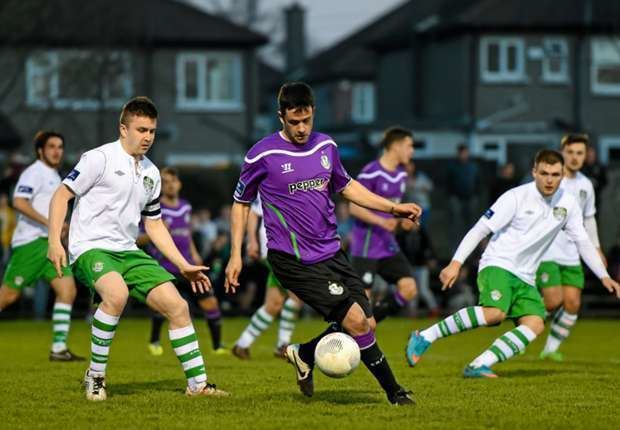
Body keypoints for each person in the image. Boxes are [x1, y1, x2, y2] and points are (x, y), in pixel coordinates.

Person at [225, 82, 420, 405]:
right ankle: (395, 393)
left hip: (332, 253)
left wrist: (393, 207)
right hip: (293, 259)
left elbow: (347, 187)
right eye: (293, 122)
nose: (301, 129)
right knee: (356, 321)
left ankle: (303, 353)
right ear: (281, 117)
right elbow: (240, 203)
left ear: (313, 112)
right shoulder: (263, 154)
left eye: (306, 121)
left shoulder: (326, 146)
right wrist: (235, 254)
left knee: (367, 322)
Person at [47, 96, 228, 401]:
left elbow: (155, 225)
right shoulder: (98, 158)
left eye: (152, 131)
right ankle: (96, 376)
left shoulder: (152, 173)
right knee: (117, 295)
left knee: (179, 307)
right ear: (123, 128)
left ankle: (197, 386)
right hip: (91, 248)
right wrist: (54, 241)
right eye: (141, 129)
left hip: (129, 252)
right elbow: (60, 196)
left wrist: (183, 264)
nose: (147, 137)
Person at [406, 149, 619, 378]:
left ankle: (478, 365)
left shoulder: (568, 204)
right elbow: (480, 229)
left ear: (562, 174)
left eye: (555, 174)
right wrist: (455, 263)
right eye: (544, 173)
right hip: (499, 263)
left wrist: (604, 275)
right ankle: (425, 337)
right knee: (495, 313)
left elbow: (582, 241)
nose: (549, 180)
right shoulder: (515, 197)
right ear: (534, 172)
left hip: (526, 276)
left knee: (535, 323)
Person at [0, 131, 83, 361]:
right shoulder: (34, 172)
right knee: (7, 297)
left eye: (60, 146)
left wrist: (60, 228)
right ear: (40, 151)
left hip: (49, 245)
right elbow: (18, 201)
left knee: (67, 290)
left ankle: (58, 348)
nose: (57, 151)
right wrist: (49, 222)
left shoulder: (56, 176)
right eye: (52, 146)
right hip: (30, 243)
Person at [138, 167, 227, 356]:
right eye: (166, 182)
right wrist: (157, 234)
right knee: (162, 307)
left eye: (173, 181)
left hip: (187, 266)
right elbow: (138, 238)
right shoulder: (154, 207)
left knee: (210, 303)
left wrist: (194, 254)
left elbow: (187, 235)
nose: (170, 185)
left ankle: (218, 347)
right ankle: (154, 341)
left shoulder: (186, 206)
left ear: (179, 184)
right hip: (165, 266)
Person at [536, 134, 606, 361]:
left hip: (573, 254)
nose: (575, 158)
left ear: (586, 157)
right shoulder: (551, 180)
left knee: (573, 303)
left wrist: (596, 249)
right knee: (553, 300)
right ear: (562, 152)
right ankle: (524, 316)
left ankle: (550, 349)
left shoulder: (586, 185)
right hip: (547, 252)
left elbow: (589, 219)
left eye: (580, 153)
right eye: (571, 152)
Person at [349, 127, 418, 322]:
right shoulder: (371, 172)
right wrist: (381, 221)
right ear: (396, 146)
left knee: (409, 288)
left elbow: (392, 210)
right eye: (409, 146)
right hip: (366, 247)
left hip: (388, 246)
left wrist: (402, 222)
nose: (412, 151)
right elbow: (354, 208)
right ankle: (353, 333)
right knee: (361, 306)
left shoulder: (401, 176)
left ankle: (372, 321)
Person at [232, 193, 303, 359]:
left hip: (286, 246)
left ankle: (242, 344)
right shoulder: (272, 178)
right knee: (297, 295)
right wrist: (252, 241)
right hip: (277, 246)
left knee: (274, 303)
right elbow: (254, 212)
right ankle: (282, 345)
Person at [447, 144, 480, 249]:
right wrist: (451, 196)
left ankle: (472, 250)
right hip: (456, 198)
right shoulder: (452, 167)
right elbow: (448, 182)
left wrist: (476, 195)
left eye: (465, 153)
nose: (463, 155)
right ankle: (456, 248)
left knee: (472, 224)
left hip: (471, 198)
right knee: (456, 224)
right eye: (461, 153)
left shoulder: (473, 167)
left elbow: (478, 182)